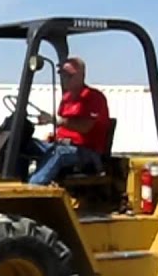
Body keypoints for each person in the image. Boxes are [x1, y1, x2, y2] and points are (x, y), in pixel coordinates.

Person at [27, 56, 111, 185]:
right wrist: (51, 132)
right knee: (25, 144)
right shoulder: (66, 98)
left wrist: (56, 120)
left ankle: (33, 187)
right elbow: (61, 126)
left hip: (86, 151)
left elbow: (84, 127)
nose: (65, 79)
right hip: (63, 145)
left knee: (58, 153)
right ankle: (14, 180)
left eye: (69, 76)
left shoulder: (93, 97)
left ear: (81, 76)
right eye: (63, 75)